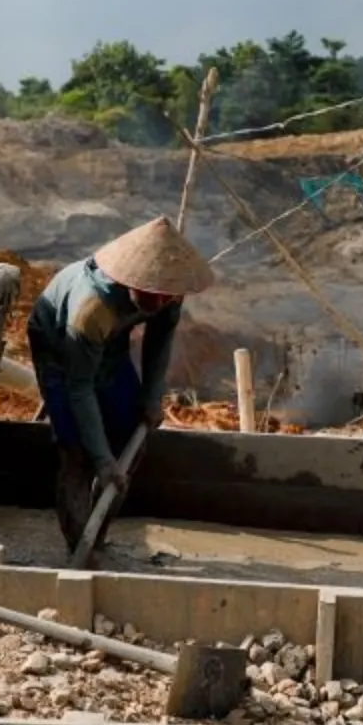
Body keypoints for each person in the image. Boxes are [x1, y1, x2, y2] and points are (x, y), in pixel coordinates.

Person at [23, 215, 217, 550]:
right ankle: (80, 548)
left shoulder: (169, 290)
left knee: (131, 437)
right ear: (130, 280)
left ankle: (98, 537)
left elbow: (160, 341)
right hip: (59, 345)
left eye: (164, 296)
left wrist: (152, 397)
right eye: (149, 294)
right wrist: (101, 459)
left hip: (111, 343)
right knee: (76, 450)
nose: (158, 304)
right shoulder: (91, 309)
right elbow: (80, 388)